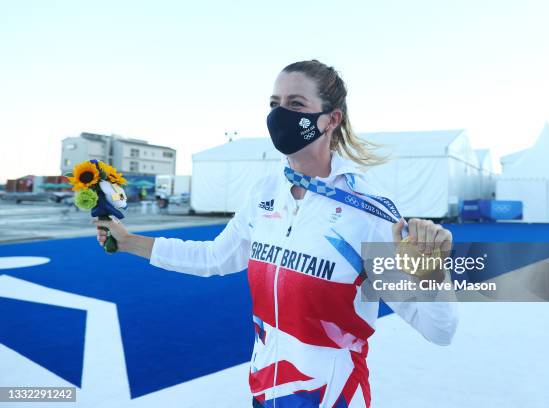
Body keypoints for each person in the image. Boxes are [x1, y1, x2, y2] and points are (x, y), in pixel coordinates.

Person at [94, 60, 458, 408]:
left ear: (331, 119)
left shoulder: (367, 211)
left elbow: (438, 330)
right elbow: (215, 257)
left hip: (332, 398)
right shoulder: (266, 192)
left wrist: (430, 272)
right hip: (266, 388)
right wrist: (128, 242)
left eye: (295, 104)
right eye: (274, 104)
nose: (279, 115)